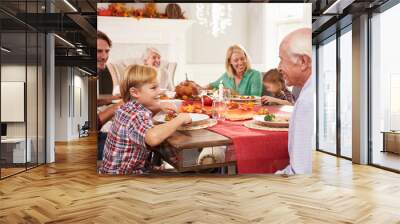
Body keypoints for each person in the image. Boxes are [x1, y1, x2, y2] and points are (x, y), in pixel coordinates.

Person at [99, 65, 192, 175]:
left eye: (158, 87)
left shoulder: (127, 108)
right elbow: (153, 138)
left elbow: (141, 125)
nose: (159, 91)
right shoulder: (135, 115)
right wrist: (180, 119)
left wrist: (158, 107)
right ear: (135, 92)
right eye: (153, 88)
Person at [275, 28, 314, 175]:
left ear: (303, 62)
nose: (278, 67)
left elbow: (299, 173)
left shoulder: (306, 102)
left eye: (282, 60)